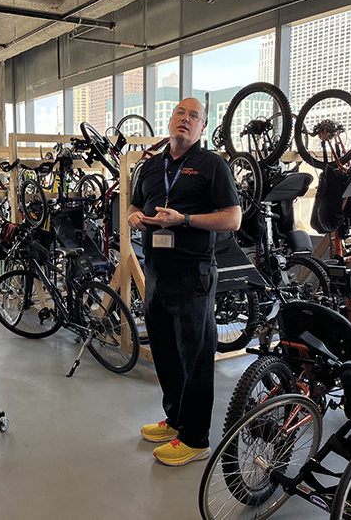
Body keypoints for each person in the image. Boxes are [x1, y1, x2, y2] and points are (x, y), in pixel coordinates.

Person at [128, 97, 241, 466]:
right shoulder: (150, 167)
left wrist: (185, 221)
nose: (186, 119)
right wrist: (132, 216)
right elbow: (133, 205)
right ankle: (176, 420)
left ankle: (195, 439)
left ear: (202, 128)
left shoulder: (213, 166)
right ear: (171, 119)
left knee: (195, 358)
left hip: (193, 273)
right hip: (156, 271)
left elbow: (232, 219)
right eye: (180, 112)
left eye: (195, 116)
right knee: (165, 352)